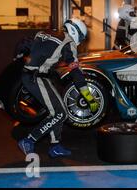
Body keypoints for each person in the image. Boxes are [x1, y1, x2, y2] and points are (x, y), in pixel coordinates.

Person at [17, 18, 99, 158]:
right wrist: (90, 98)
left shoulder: (45, 32)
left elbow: (24, 44)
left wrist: (18, 58)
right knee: (60, 114)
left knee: (57, 111)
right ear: (76, 32)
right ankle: (29, 140)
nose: (80, 41)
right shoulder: (68, 43)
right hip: (36, 78)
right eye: (81, 37)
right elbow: (76, 74)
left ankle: (55, 146)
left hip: (31, 75)